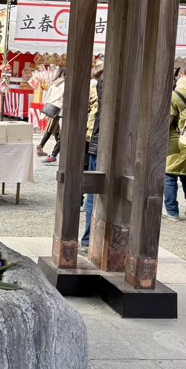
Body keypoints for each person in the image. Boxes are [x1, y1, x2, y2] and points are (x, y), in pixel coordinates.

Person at [164, 62, 186, 220]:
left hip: (176, 141)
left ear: (181, 74)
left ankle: (172, 212)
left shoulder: (175, 95)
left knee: (170, 176)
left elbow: (168, 120)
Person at [82, 61, 104, 248]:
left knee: (93, 193)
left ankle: (89, 239)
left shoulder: (98, 84)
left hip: (95, 140)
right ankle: (90, 239)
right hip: (101, 142)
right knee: (95, 193)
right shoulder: (107, 83)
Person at [38, 68, 65, 163]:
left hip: (50, 108)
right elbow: (63, 98)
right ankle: (49, 151)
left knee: (54, 131)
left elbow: (47, 96)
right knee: (55, 131)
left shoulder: (54, 83)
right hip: (59, 110)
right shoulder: (65, 83)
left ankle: (54, 152)